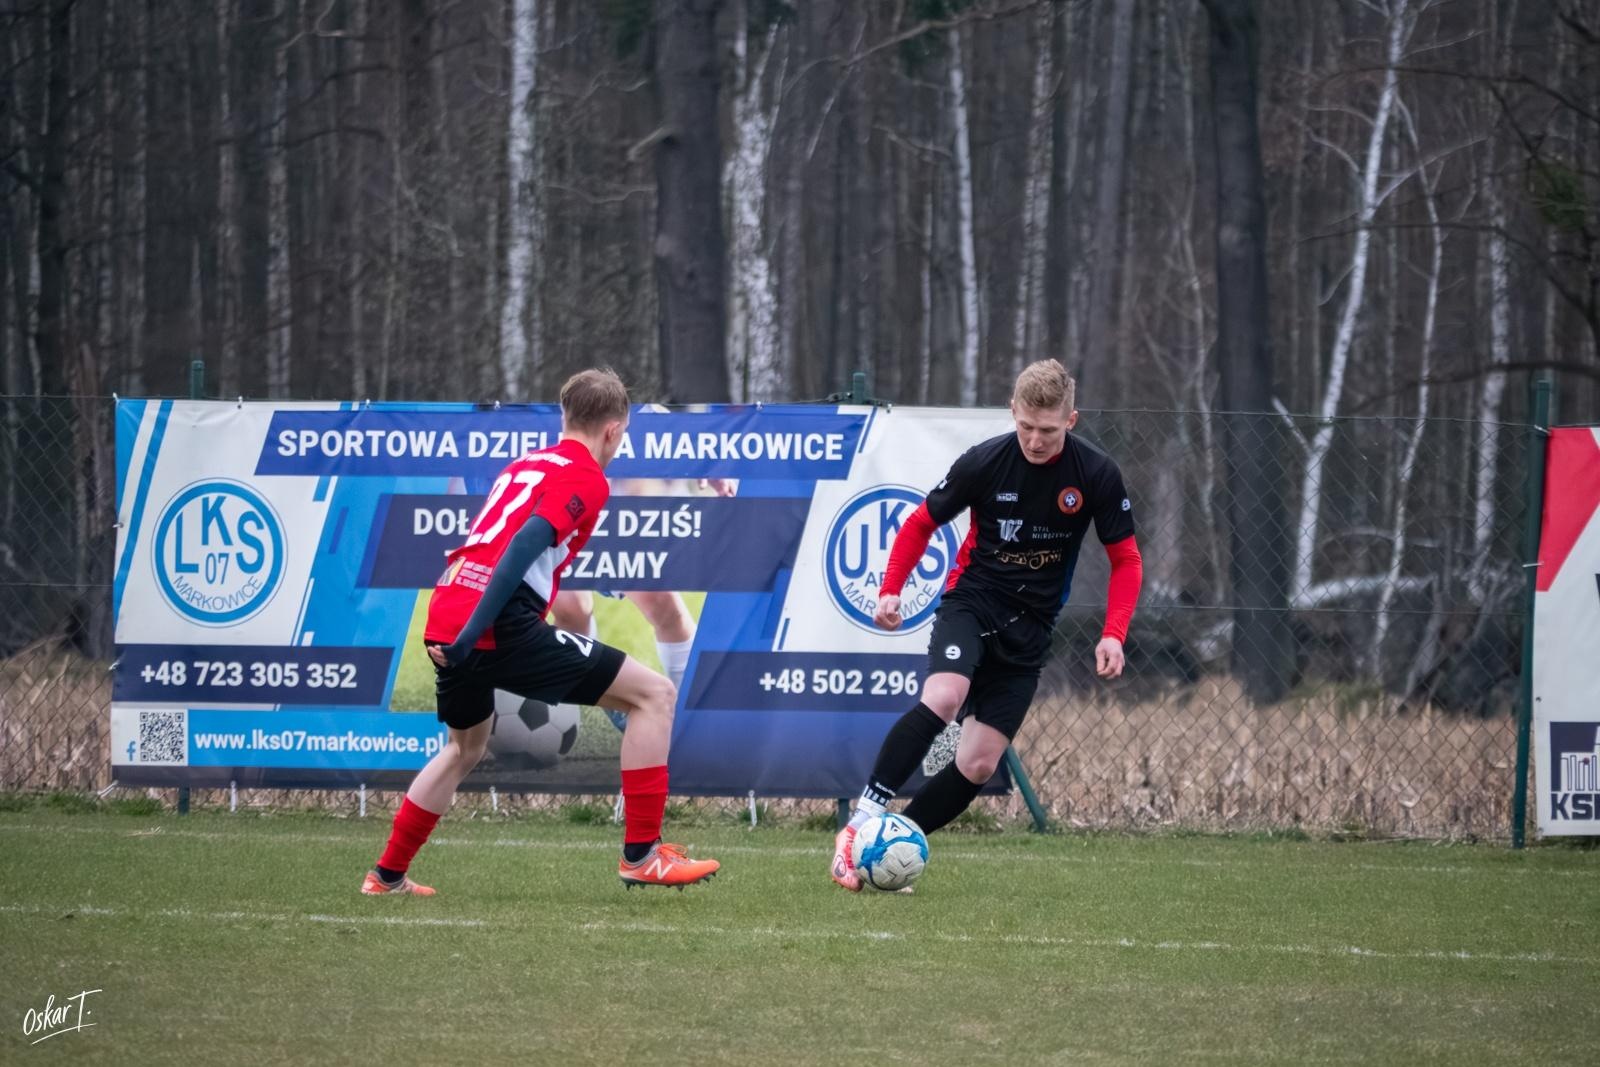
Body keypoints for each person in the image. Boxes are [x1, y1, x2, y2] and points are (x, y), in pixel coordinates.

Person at [361, 368, 720, 895]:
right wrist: (473, 638)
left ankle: (386, 875)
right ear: (614, 431)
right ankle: (642, 854)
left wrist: (460, 634)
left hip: (450, 607)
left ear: (564, 416)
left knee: (464, 749)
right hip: (493, 620)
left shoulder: (528, 463)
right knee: (654, 696)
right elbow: (520, 548)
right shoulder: (586, 477)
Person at [830, 359, 1143, 891]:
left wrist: (1113, 631)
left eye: (1047, 430)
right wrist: (890, 588)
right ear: (1012, 413)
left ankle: (887, 847)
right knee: (946, 697)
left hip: (1032, 628)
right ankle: (858, 825)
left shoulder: (1096, 474)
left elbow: (1126, 559)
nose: (1035, 440)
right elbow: (920, 523)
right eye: (1025, 426)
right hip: (972, 602)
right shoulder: (985, 462)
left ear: (1072, 420)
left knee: (977, 762)